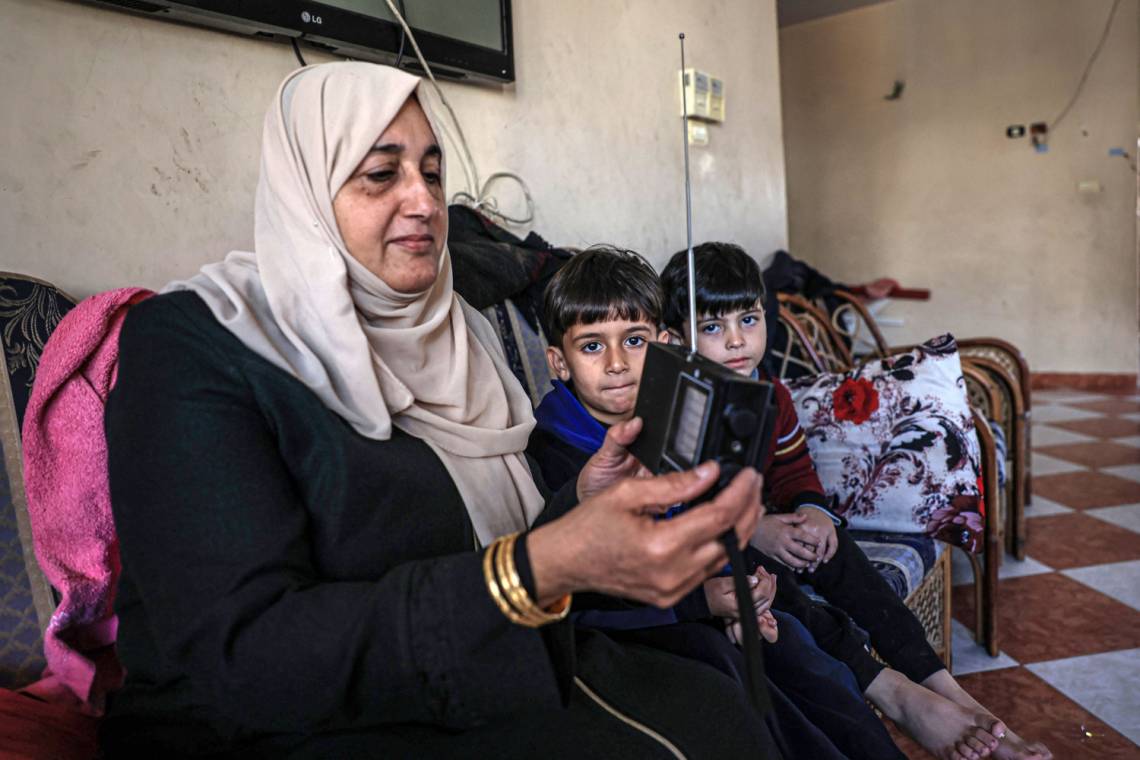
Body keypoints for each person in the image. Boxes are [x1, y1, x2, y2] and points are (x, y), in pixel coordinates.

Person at [101, 62, 775, 758]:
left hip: (481, 660)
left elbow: (491, 542)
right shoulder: (193, 349)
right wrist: (540, 567)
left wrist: (579, 500)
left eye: (431, 170)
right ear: (305, 187)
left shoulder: (457, 332)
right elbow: (243, 657)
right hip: (286, 722)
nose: (423, 201)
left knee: (722, 713)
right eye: (380, 175)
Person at [660, 242, 1053, 760]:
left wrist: (816, 513)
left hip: (773, 529)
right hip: (720, 550)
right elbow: (681, 508)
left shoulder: (771, 394)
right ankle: (892, 692)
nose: (737, 340)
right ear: (675, 339)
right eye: (712, 327)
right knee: (772, 586)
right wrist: (756, 529)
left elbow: (795, 469)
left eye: (748, 319)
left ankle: (951, 693)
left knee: (840, 553)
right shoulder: (677, 403)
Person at [527, 245, 909, 760]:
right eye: (592, 347)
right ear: (559, 362)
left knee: (818, 672)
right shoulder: (558, 450)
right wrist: (707, 601)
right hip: (647, 631)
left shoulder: (674, 419)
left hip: (711, 599)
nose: (617, 365)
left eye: (634, 341)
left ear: (663, 344)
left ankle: (895, 695)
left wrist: (748, 586)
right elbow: (589, 589)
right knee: (770, 704)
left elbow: (711, 520)